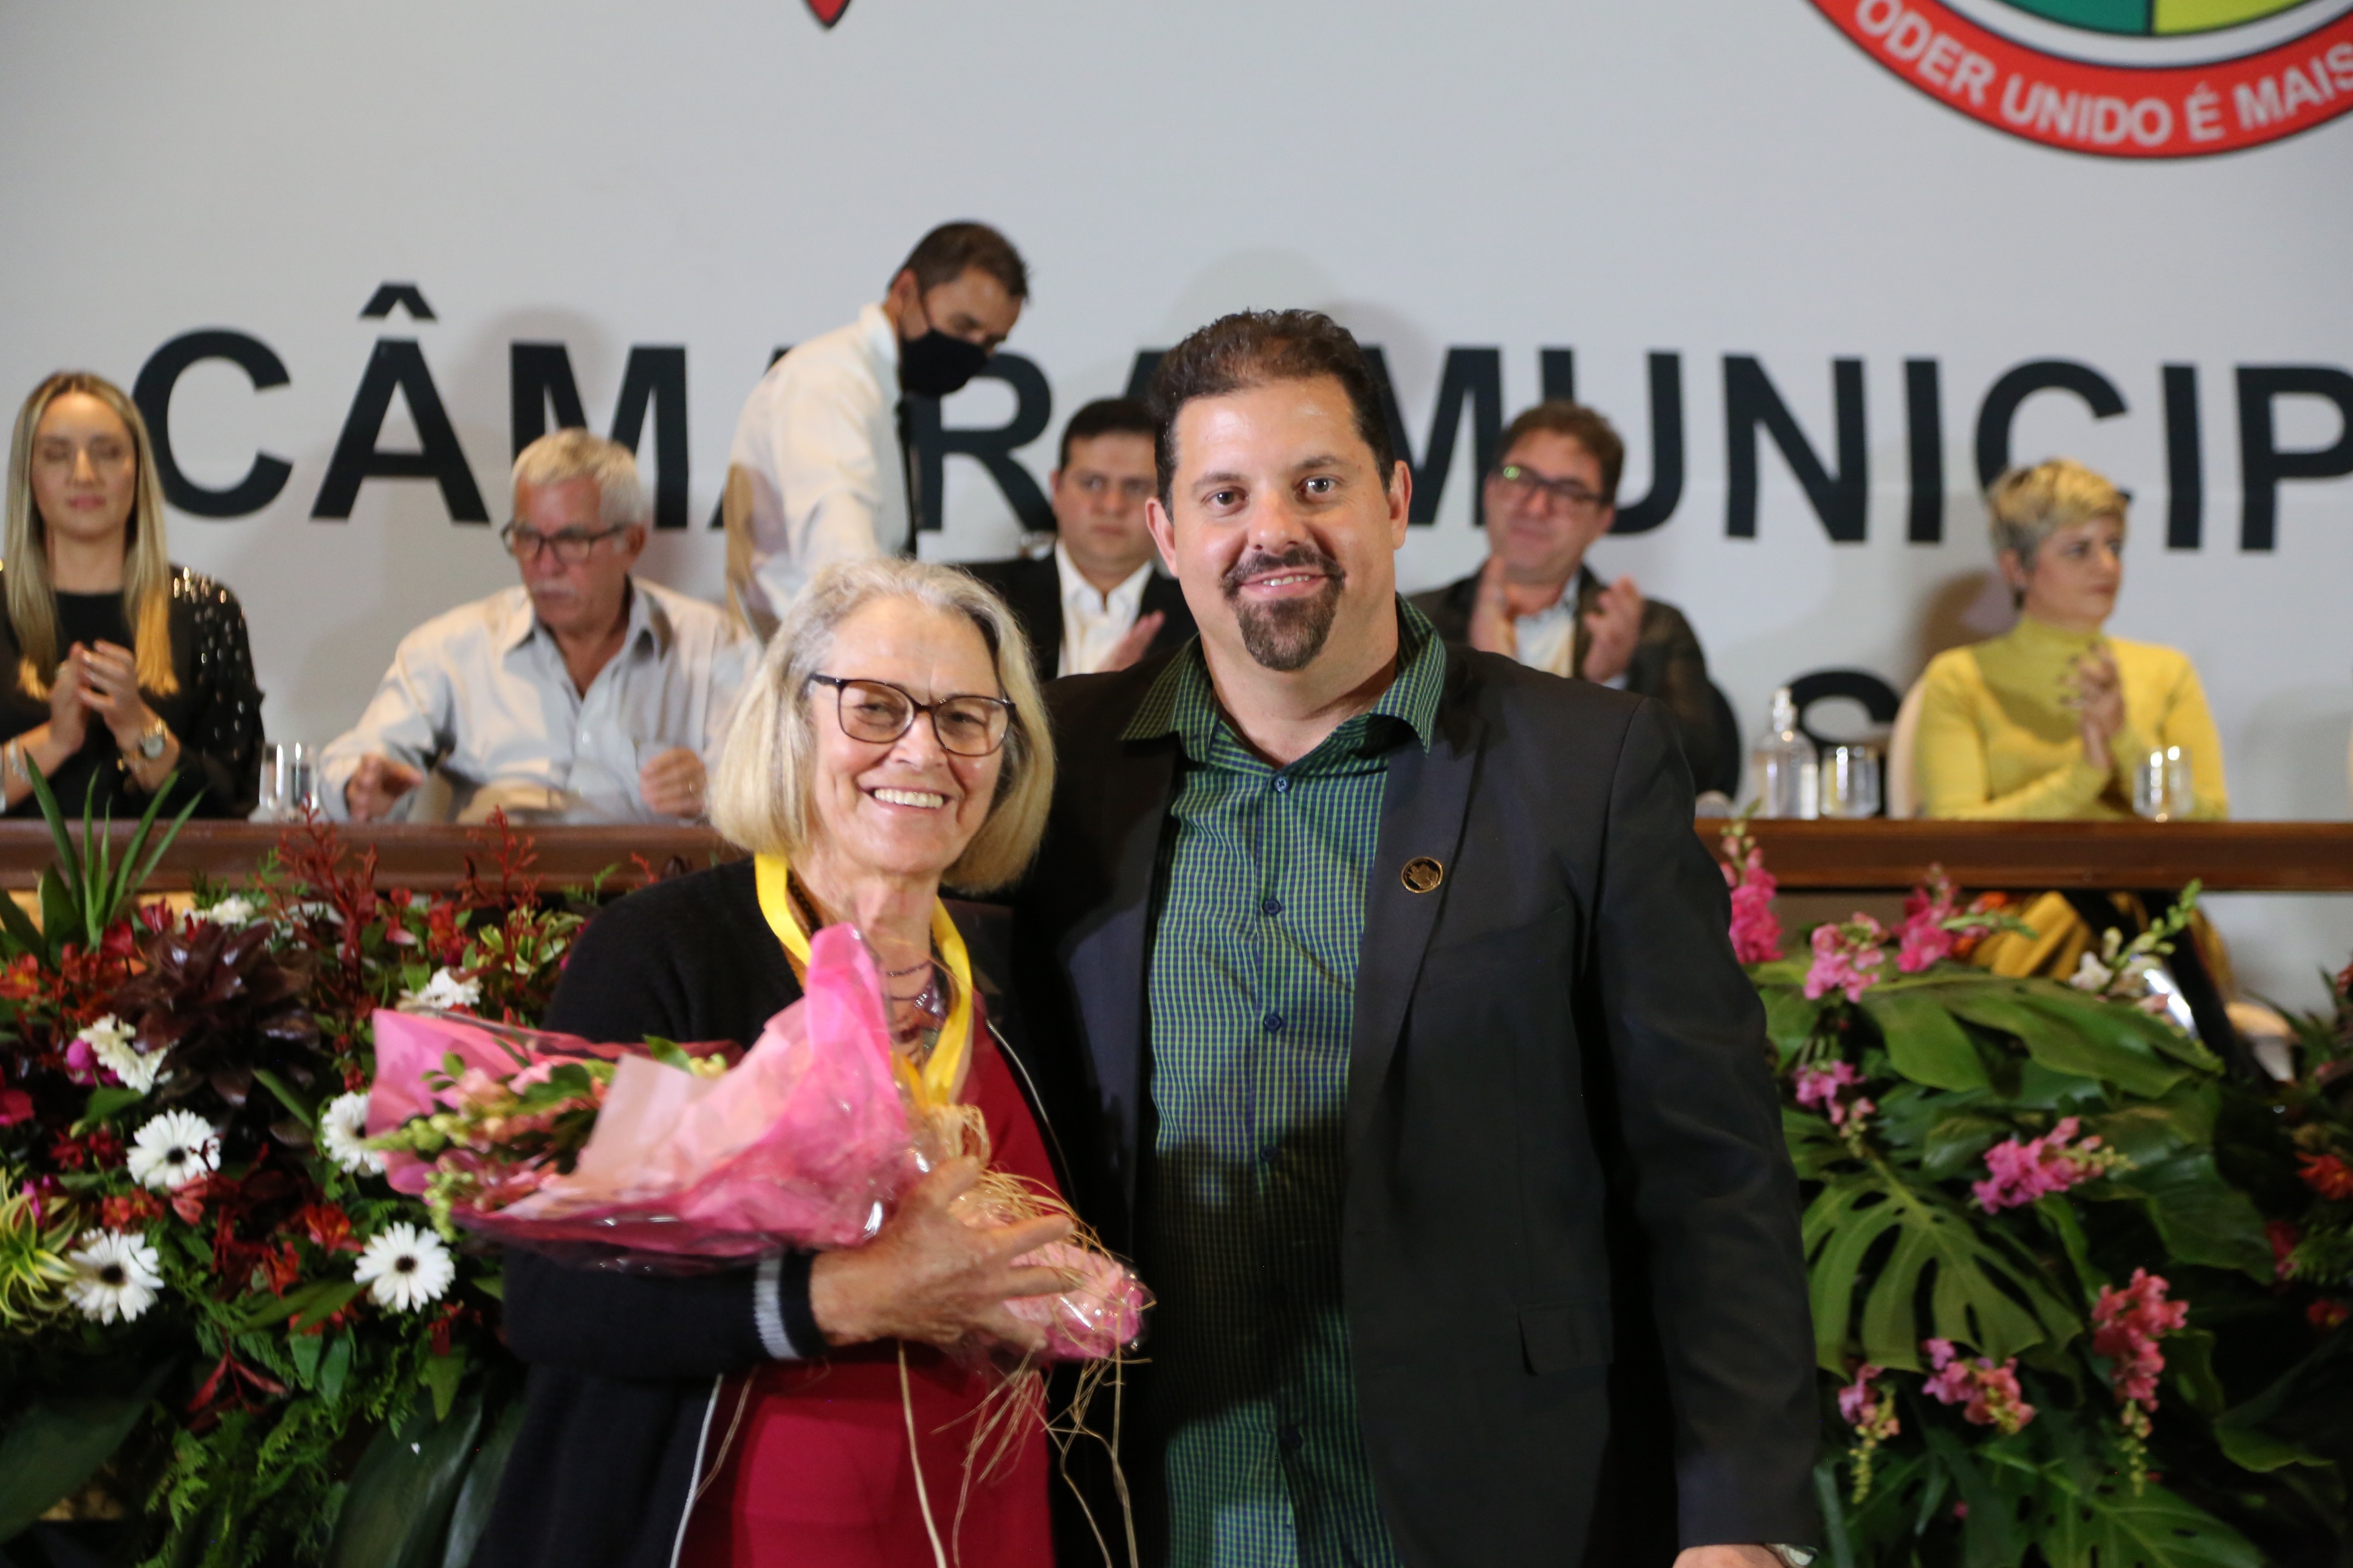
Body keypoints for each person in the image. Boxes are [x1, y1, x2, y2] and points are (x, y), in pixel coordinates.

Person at [1011, 311, 1816, 1567]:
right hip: (1151, 1508)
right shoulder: (1050, 766)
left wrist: (1735, 1526)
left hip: (1510, 1500)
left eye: (1315, 482)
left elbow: (1709, 1172)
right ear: (1166, 534)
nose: (1271, 528)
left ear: (1393, 499)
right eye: (1224, 493)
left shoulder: (1585, 768)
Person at [477, 558, 1078, 1568]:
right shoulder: (661, 954)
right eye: (876, 708)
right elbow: (554, 1295)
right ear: (794, 722)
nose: (923, 749)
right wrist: (838, 1297)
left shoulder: (1023, 976)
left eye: (967, 717)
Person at [1915, 458, 2236, 1004]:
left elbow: (2207, 819)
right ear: (2017, 568)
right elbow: (1954, 836)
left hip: (2155, 914)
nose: (2107, 566)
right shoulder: (1960, 677)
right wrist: (2084, 775)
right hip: (2017, 923)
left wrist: (2123, 737)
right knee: (2082, 917)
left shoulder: (2166, 671)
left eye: (2114, 545)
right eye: (2078, 550)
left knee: (2134, 916)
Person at [319, 430, 751, 824]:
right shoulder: (454, 648)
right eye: (528, 538)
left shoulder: (713, 645)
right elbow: (357, 760)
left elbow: (781, 789)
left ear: (631, 543)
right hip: (499, 902)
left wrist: (716, 787)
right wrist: (360, 785)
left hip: (655, 903)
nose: (545, 565)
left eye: (571, 540)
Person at [1410, 400, 1741, 795]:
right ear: (1491, 488)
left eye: (1568, 491)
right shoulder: (1412, 621)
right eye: (1520, 477)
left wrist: (1610, 687)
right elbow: (1390, 770)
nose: (1536, 506)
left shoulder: (1656, 632)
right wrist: (1488, 680)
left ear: (1602, 519)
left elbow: (1699, 776)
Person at [726, 221, 1028, 628]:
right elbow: (845, 569)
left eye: (992, 341)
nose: (974, 351)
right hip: (810, 670)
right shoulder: (833, 385)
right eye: (962, 326)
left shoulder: (878, 390)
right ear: (905, 291)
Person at [0, 372, 261, 820]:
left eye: (108, 453)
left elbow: (234, 801)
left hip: (170, 890)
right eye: (57, 456)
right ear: (28, 474)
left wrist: (141, 731)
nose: (84, 475)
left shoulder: (204, 610)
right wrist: (56, 741)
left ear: (138, 470)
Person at [960, 397, 1197, 676]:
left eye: (1135, 487)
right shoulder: (978, 599)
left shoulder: (1202, 616)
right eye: (1092, 483)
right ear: (1056, 488)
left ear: (1166, 501)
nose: (1112, 505)